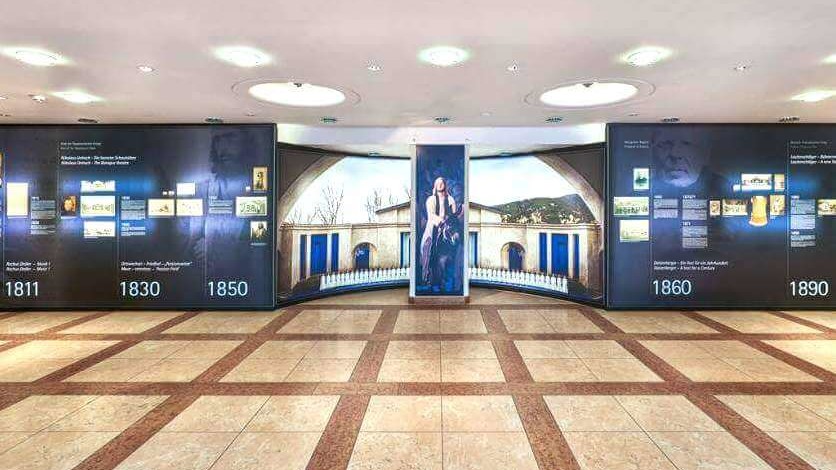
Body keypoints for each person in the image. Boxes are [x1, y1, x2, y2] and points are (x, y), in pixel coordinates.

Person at [419, 176, 462, 292]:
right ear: (435, 185)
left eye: (442, 182)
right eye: (437, 183)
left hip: (447, 226)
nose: (440, 184)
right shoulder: (431, 199)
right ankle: (428, 278)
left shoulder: (451, 199)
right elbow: (431, 216)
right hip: (434, 226)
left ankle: (451, 280)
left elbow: (453, 215)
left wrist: (450, 221)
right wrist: (441, 221)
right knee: (427, 246)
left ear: (445, 185)